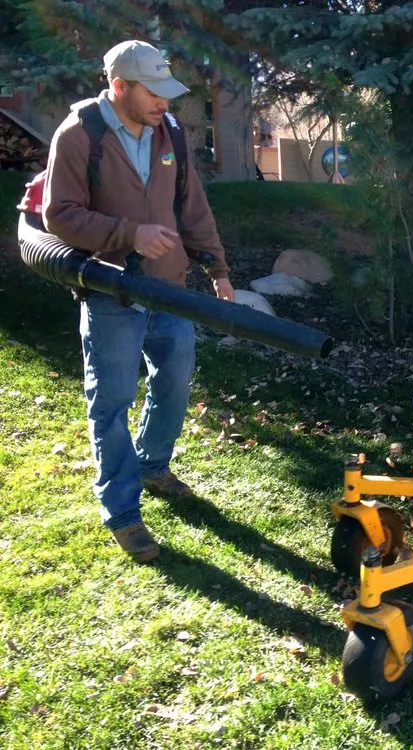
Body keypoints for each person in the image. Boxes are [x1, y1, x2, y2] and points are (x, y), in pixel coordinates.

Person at [43, 40, 234, 562]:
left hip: (169, 286)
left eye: (168, 94)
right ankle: (123, 511)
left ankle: (153, 464)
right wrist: (129, 233)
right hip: (112, 293)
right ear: (119, 87)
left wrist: (217, 266)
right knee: (111, 400)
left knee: (173, 381)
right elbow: (57, 215)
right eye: (155, 93)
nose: (164, 104)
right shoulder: (80, 135)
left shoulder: (168, 131)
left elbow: (192, 204)